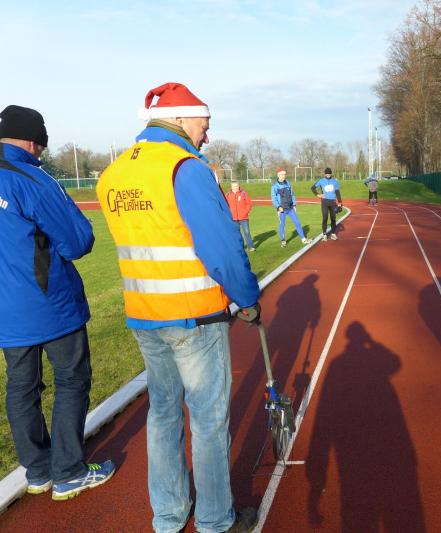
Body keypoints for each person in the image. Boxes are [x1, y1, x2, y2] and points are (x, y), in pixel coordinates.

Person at [97, 83, 259, 533]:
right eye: (204, 123)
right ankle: (215, 520)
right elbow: (221, 247)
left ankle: (168, 516)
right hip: (195, 316)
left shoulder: (113, 174)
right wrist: (247, 297)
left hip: (145, 314)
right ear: (182, 119)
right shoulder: (185, 168)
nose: (207, 133)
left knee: (164, 414)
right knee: (208, 420)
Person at [0, 105, 116, 500]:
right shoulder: (33, 178)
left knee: (21, 386)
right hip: (49, 305)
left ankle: (37, 470)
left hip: (6, 311)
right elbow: (77, 241)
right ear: (35, 142)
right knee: (71, 379)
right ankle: (68, 470)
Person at [271, 167, 310, 247]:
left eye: (284, 174)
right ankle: (283, 240)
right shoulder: (274, 186)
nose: (283, 176)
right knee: (282, 225)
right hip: (282, 210)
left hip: (290, 208)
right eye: (282, 174)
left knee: (297, 223)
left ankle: (303, 239)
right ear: (278, 175)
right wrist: (278, 207)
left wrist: (294, 204)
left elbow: (292, 194)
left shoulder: (288, 183)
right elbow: (274, 198)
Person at [311, 167, 342, 241]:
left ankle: (333, 234)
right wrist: (318, 195)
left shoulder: (334, 181)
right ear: (325, 174)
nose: (328, 175)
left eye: (329, 174)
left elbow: (337, 192)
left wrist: (340, 202)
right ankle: (324, 235)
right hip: (324, 202)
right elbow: (312, 188)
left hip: (333, 202)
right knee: (325, 217)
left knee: (333, 218)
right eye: (327, 174)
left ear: (331, 174)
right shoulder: (321, 181)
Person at [225, 181, 255, 252]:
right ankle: (240, 247)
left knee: (247, 232)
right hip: (233, 219)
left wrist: (245, 212)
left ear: (239, 186)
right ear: (231, 187)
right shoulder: (228, 195)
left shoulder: (243, 193)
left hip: (244, 218)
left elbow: (249, 204)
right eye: (234, 186)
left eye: (237, 186)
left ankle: (250, 247)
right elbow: (225, 206)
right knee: (237, 234)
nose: (236, 187)